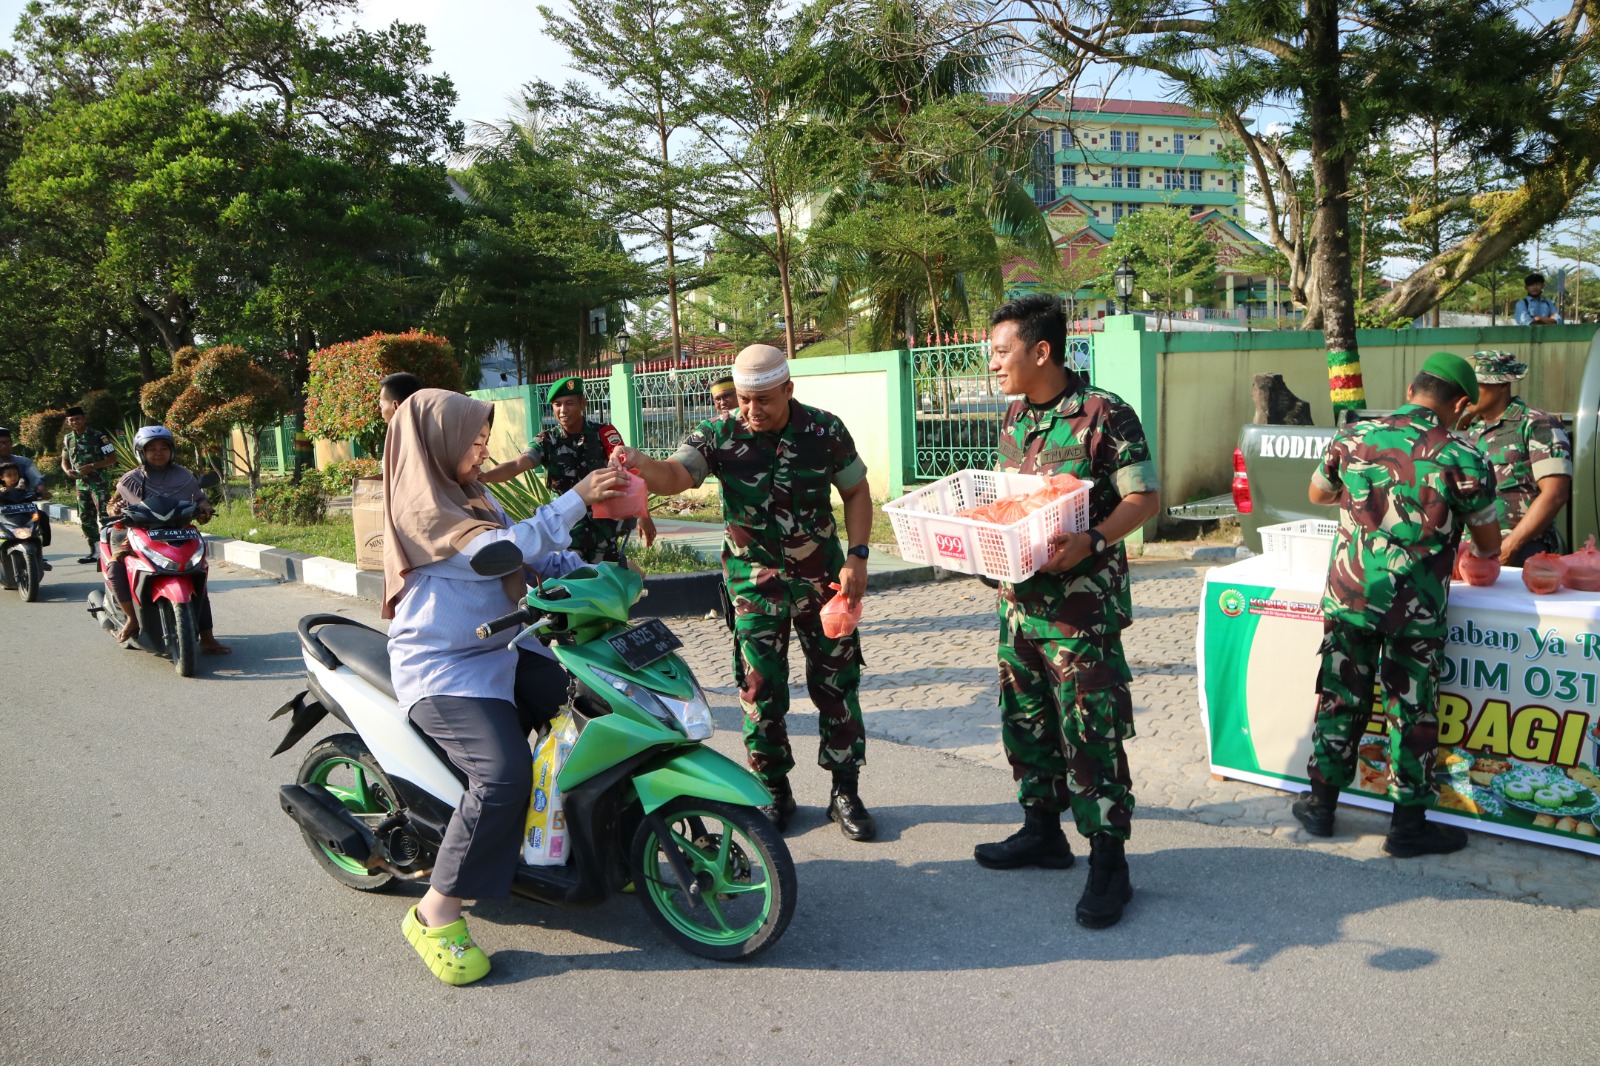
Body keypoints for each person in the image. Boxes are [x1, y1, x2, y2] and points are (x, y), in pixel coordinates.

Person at [382, 388, 624, 986]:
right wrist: (575, 500)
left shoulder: (471, 492)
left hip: (507, 646)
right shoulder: (425, 507)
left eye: (485, 438)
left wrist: (588, 572)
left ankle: (589, 837)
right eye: (473, 438)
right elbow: (498, 555)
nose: (482, 447)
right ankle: (435, 913)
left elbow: (528, 556)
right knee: (504, 773)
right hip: (446, 669)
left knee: (596, 708)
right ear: (436, 441)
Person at [612, 344, 878, 841]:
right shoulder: (718, 434)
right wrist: (642, 462)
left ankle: (846, 790)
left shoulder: (825, 430)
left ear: (788, 390)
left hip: (825, 583)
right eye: (744, 399)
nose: (752, 410)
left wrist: (859, 555)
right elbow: (676, 476)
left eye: (764, 401)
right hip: (754, 586)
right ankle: (774, 790)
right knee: (759, 690)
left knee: (837, 686)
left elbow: (857, 490)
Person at [972, 294, 1161, 930]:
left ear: (1041, 351)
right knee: (1024, 720)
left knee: (1091, 731)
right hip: (1019, 606)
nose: (992, 362)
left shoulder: (1105, 414)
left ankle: (1110, 860)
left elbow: (1144, 496)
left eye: (1001, 352)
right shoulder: (1014, 419)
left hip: (1080, 613)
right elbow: (1016, 506)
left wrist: (1096, 540)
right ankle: (1041, 830)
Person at [1293, 352, 1502, 856]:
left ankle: (1322, 806)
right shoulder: (1463, 455)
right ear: (1458, 403)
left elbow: (1318, 495)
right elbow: (1490, 542)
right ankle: (1407, 826)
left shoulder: (1352, 436)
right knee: (1412, 710)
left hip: (1350, 596)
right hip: (1416, 608)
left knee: (1342, 695)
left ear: (1411, 390)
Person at [479, 376, 656, 562]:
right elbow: (518, 464)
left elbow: (627, 475)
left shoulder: (604, 434)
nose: (563, 410)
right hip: (566, 534)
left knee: (606, 585)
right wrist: (484, 477)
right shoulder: (547, 440)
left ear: (583, 404)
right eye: (557, 404)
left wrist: (644, 515)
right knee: (570, 585)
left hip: (603, 534)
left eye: (569, 403)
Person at [106, 426, 232, 655]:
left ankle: (208, 638)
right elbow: (113, 504)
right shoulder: (130, 479)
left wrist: (205, 508)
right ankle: (132, 619)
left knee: (199, 576)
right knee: (115, 567)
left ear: (172, 450)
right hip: (142, 534)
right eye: (151, 448)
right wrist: (114, 508)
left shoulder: (184, 475)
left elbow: (201, 499)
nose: (158, 453)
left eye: (164, 448)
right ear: (140, 452)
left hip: (180, 532)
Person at [1461, 350, 1573, 564]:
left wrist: (1509, 547)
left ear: (1503, 384)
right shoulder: (1471, 433)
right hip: (1473, 554)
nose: (1467, 392)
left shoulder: (1537, 424)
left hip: (1523, 553)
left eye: (1477, 384)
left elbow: (1555, 494)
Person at [61, 406, 118, 564]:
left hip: (98, 482)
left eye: (77, 419)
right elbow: (64, 460)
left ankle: (111, 550)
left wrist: (92, 466)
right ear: (68, 422)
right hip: (81, 484)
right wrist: (67, 471)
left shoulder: (99, 436)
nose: (75, 422)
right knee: (86, 517)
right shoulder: (68, 438)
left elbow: (112, 458)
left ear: (84, 419)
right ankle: (95, 551)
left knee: (105, 515)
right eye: (71, 420)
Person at [0, 429, 50, 556]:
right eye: (0, 443)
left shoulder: (25, 462)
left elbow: (36, 479)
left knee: (41, 516)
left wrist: (42, 491)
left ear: (12, 444)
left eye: (6, 442)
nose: (3, 446)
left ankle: (39, 550)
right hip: (1, 506)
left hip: (23, 505)